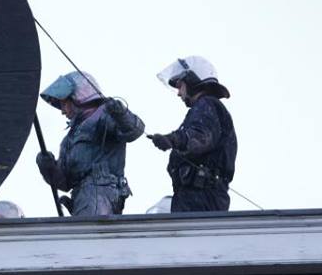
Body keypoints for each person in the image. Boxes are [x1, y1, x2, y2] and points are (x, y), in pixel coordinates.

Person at [36, 71, 145, 216]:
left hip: (100, 194)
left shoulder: (104, 117)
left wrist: (120, 112)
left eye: (64, 104)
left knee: (93, 229)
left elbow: (134, 131)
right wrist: (48, 167)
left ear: (78, 98)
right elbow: (65, 182)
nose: (62, 111)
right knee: (84, 230)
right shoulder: (68, 140)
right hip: (81, 198)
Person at [148, 56, 237, 212]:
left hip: (200, 200)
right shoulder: (206, 108)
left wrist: (172, 139)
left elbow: (200, 136)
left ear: (192, 80)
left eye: (180, 86)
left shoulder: (207, 105)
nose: (179, 93)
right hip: (198, 198)